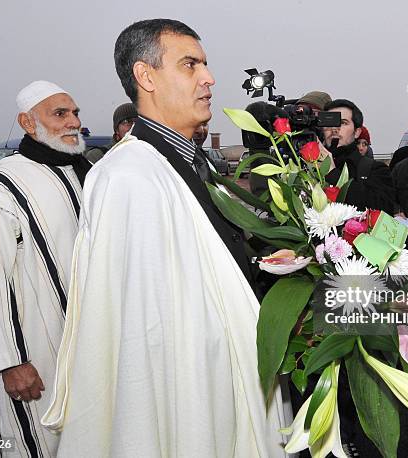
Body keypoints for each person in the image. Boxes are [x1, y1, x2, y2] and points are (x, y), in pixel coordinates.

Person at [41, 19, 288, 457]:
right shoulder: (126, 176)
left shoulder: (195, 164)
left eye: (206, 65)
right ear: (146, 76)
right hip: (185, 396)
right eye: (190, 65)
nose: (209, 78)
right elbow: (143, 333)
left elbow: (207, 266)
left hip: (225, 376)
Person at [0, 80, 91, 457]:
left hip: (89, 346)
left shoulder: (83, 172)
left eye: (75, 112)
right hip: (38, 353)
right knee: (36, 444)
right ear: (27, 122)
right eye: (60, 113)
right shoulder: (2, 188)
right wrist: (11, 363)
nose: (73, 122)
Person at [321, 98, 396, 213]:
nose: (334, 128)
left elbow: (383, 209)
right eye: (329, 121)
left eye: (343, 123)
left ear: (357, 132)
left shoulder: (374, 169)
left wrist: (333, 174)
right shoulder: (310, 167)